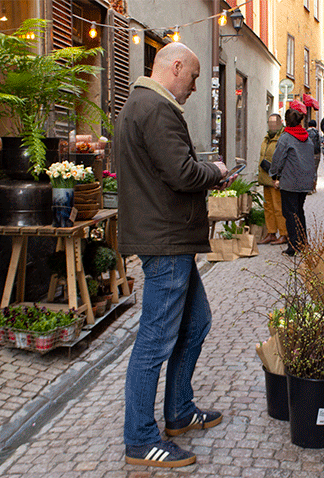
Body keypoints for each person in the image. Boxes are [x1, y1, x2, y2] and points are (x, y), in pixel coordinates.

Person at [116, 42, 235, 469]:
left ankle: (180, 411)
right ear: (176, 67)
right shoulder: (156, 108)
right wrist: (217, 173)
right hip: (165, 241)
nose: (195, 86)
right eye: (194, 77)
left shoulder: (140, 104)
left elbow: (167, 169)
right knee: (154, 341)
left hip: (170, 240)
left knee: (197, 321)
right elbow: (183, 173)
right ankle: (140, 439)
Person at [270, 100, 317, 256]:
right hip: (304, 183)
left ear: (286, 121)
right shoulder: (307, 138)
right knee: (299, 211)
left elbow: (278, 159)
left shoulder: (285, 138)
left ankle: (294, 246)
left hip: (289, 183)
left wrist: (273, 174)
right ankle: (303, 242)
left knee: (289, 213)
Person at [257, 114, 289, 245]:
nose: (271, 126)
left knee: (278, 207)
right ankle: (271, 233)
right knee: (268, 206)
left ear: (280, 123)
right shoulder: (267, 138)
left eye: (274, 123)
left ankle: (283, 233)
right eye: (269, 123)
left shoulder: (282, 137)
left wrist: (279, 177)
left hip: (275, 178)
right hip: (265, 178)